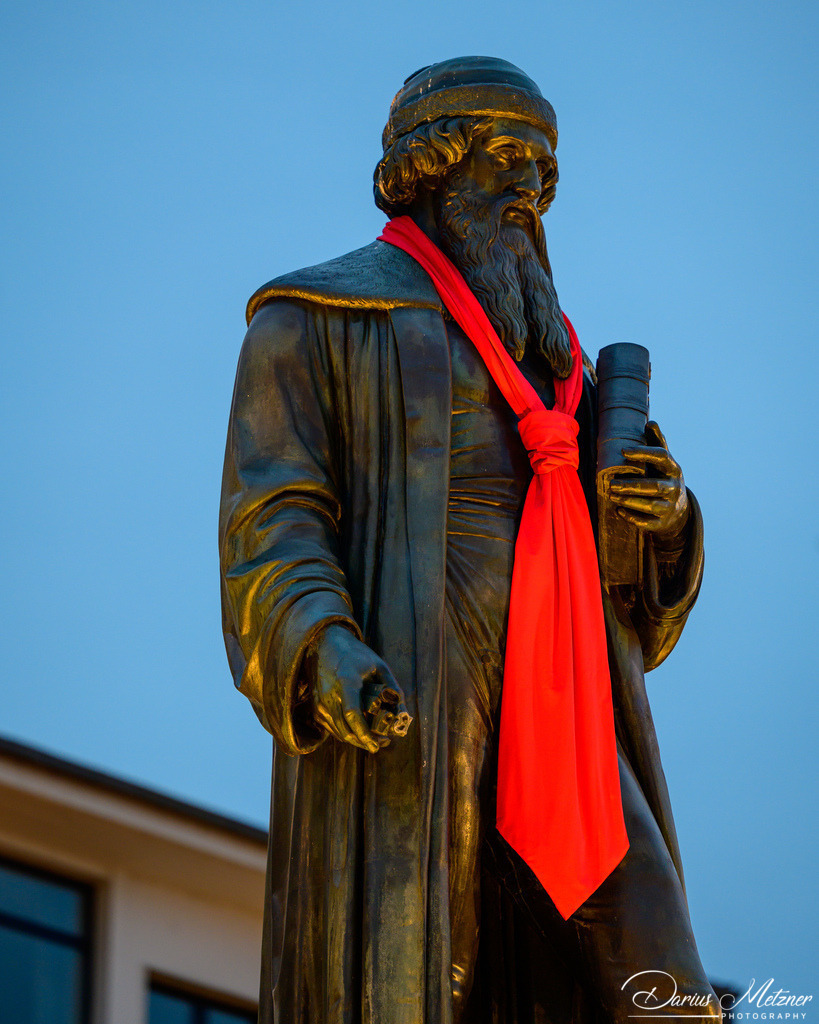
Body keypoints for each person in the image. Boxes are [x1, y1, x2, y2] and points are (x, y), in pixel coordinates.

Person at [219, 56, 719, 1024]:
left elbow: (643, 606)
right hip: (419, 636)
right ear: (430, 166)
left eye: (544, 167)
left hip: (569, 670)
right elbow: (272, 507)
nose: (531, 187)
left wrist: (662, 518)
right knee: (428, 951)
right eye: (506, 157)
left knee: (663, 983)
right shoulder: (316, 313)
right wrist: (323, 640)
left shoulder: (567, 364)